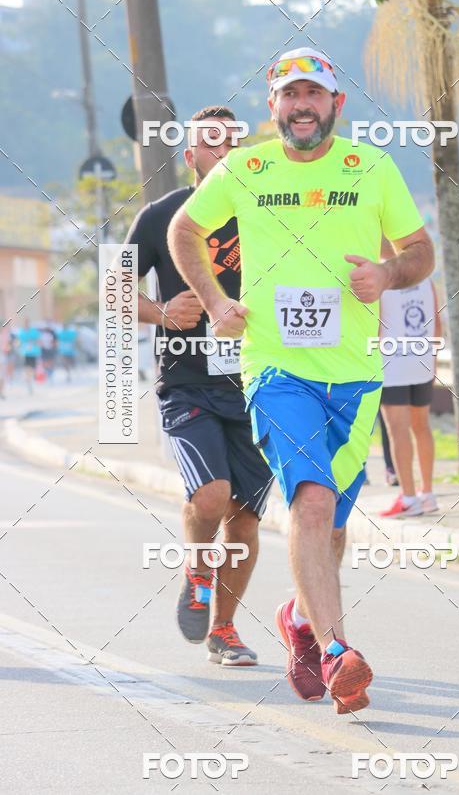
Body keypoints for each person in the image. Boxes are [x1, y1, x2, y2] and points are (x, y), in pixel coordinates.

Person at [169, 48, 434, 713]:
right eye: (290, 96)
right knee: (309, 505)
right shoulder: (246, 167)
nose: (302, 107)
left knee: (335, 523)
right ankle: (340, 650)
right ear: (273, 108)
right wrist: (216, 300)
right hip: (277, 371)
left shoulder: (371, 167)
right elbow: (184, 229)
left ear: (336, 106)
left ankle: (298, 618)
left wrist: (388, 274)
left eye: (313, 95)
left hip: (356, 378)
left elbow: (419, 250)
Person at [125, 106, 273, 668]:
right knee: (211, 496)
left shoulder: (267, 214)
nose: (225, 153)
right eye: (213, 145)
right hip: (187, 383)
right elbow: (113, 292)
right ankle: (196, 567)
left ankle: (225, 631)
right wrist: (163, 312)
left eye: (234, 143)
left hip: (257, 382)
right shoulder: (162, 216)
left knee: (246, 515)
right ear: (191, 157)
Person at [378, 240, 441, 517]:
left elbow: (376, 325)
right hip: (422, 359)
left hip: (392, 364)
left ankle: (409, 498)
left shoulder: (380, 279)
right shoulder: (426, 279)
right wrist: (432, 360)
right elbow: (437, 324)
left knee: (398, 431)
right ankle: (428, 494)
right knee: (422, 427)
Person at [17, 318, 41, 394]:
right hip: (25, 353)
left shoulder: (34, 331)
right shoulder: (21, 332)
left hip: (33, 353)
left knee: (32, 368)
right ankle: (29, 381)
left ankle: (30, 379)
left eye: (27, 322)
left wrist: (34, 343)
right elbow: (18, 342)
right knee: (27, 368)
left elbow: (38, 340)